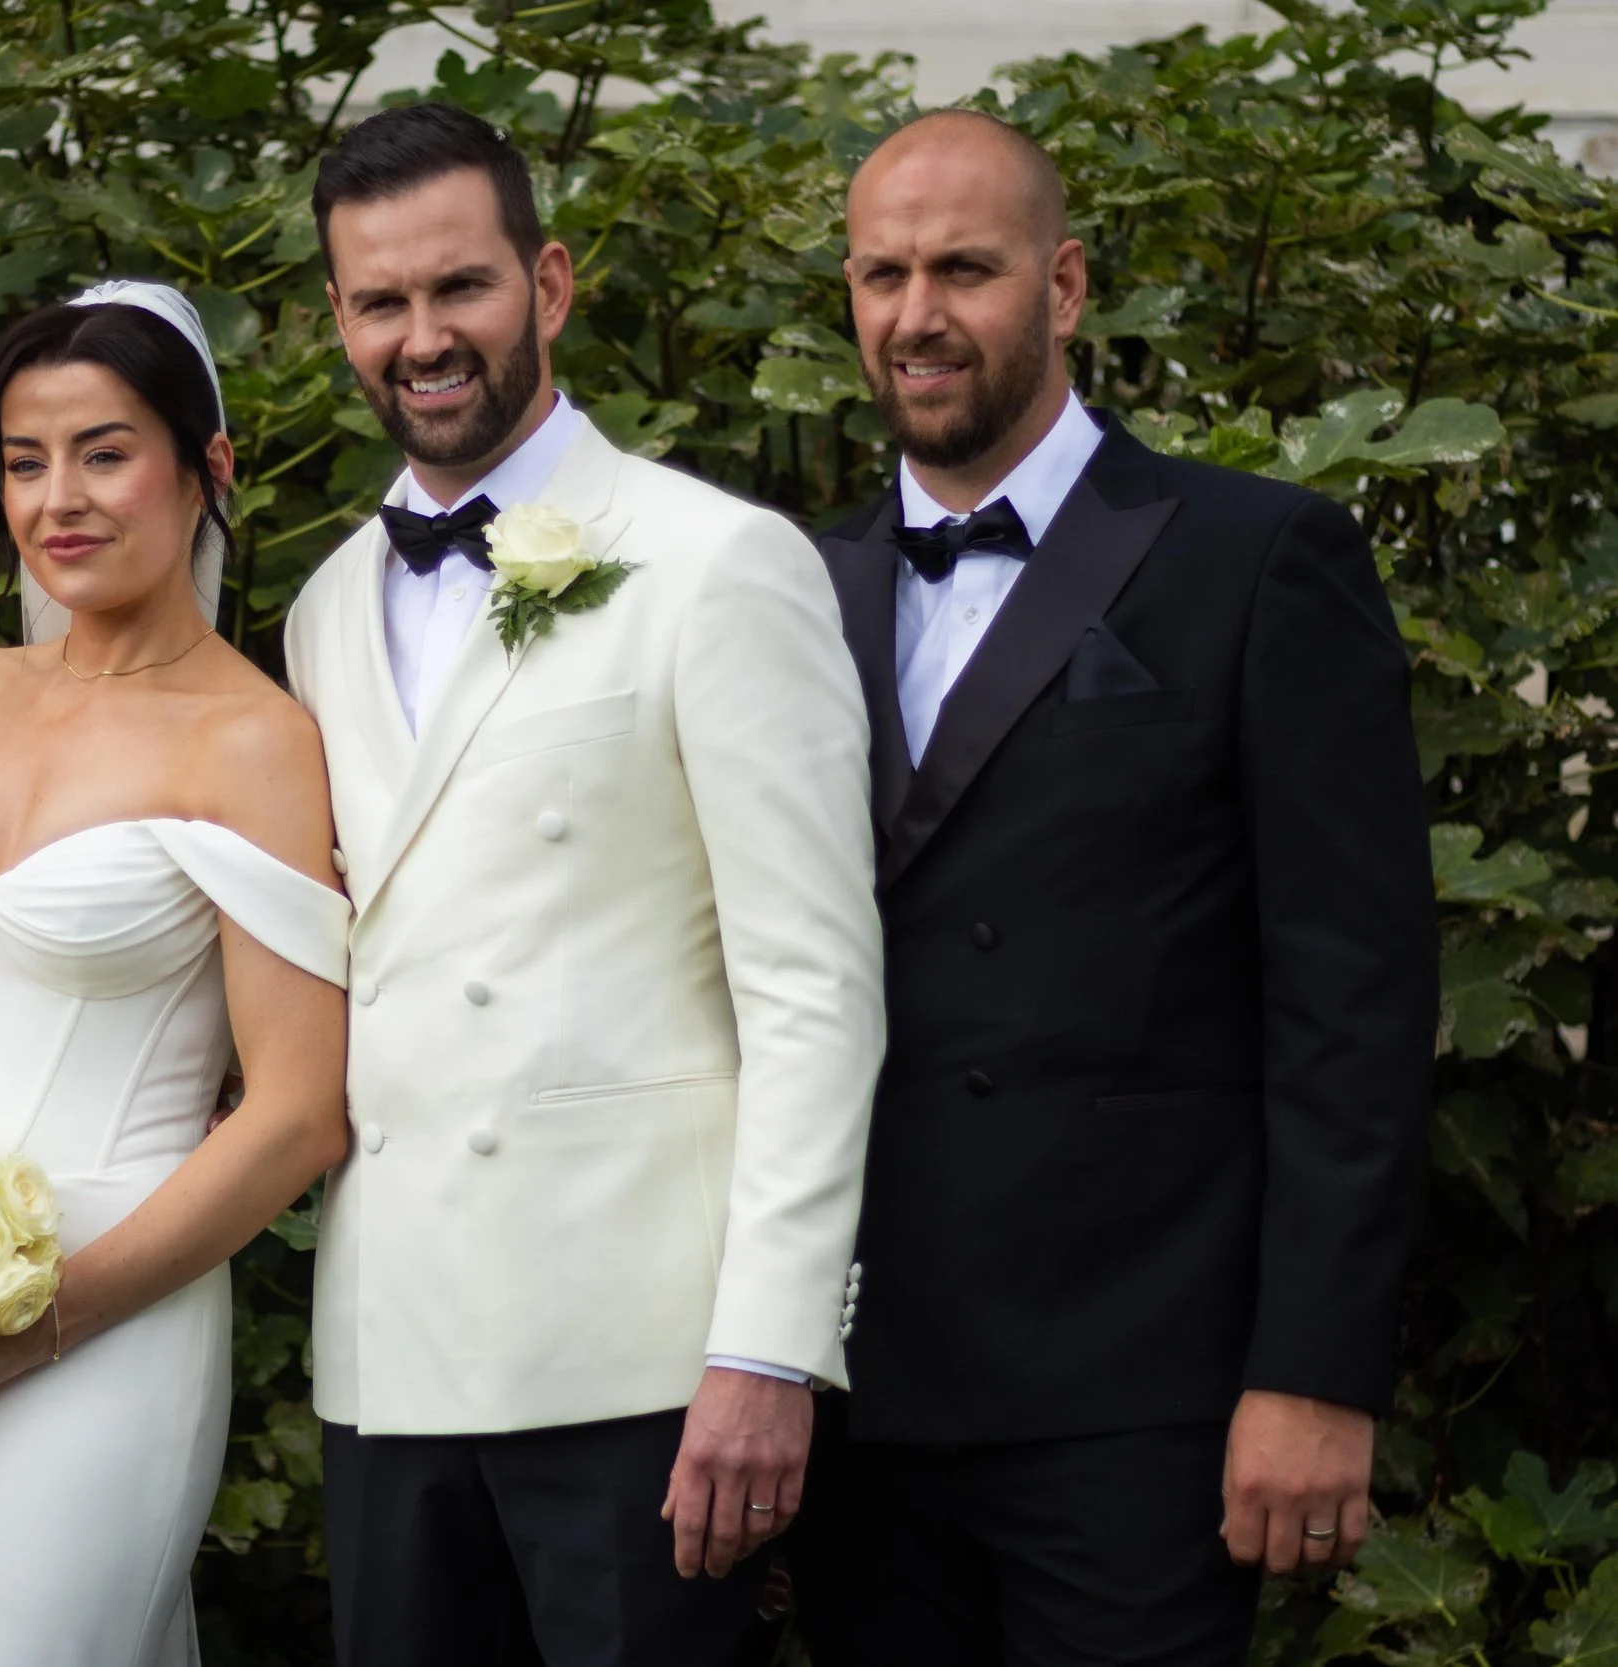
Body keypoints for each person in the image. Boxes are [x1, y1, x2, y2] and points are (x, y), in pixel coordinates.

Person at [784, 111, 1436, 1665]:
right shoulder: (792, 587)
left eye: (967, 268)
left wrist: (1317, 1369)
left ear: (1065, 285)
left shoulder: (1261, 555)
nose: (918, 313)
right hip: (866, 1391)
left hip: (1143, 1396)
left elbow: (1355, 995)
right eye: (883, 272)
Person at [282, 103, 885, 1667]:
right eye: (380, 303)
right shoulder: (324, 606)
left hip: (645, 1372)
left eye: (460, 287)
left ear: (547, 284)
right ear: (338, 322)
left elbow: (814, 991)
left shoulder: (719, 562)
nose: (425, 336)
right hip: (390, 1359)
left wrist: (769, 1346)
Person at [0, 283, 352, 1667]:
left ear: (207, 466)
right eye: (24, 462)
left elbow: (296, 1114)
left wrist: (37, 1323)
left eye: (105, 452)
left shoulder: (256, 741)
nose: (60, 500)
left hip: (103, 1318)